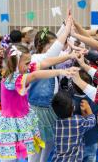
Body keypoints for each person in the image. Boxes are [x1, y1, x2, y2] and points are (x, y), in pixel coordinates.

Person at [0, 44, 75, 161]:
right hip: (11, 124)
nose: (29, 66)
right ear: (15, 63)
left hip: (23, 119)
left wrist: (69, 56)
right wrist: (61, 71)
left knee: (25, 150)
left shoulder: (22, 73)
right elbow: (35, 75)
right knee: (10, 156)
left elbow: (44, 63)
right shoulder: (12, 79)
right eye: (27, 63)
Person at [27, 15, 74, 162]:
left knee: (50, 140)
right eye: (51, 45)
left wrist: (65, 24)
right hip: (37, 109)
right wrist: (66, 29)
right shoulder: (34, 59)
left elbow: (58, 48)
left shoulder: (48, 57)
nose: (57, 49)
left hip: (50, 108)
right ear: (41, 46)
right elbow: (55, 50)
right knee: (36, 144)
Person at [51, 91, 96, 162]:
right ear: (73, 108)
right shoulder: (78, 121)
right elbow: (92, 121)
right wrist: (88, 108)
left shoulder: (55, 123)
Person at [72, 69, 98, 162]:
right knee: (91, 158)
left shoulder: (69, 100)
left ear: (73, 85)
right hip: (92, 138)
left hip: (75, 141)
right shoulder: (96, 99)